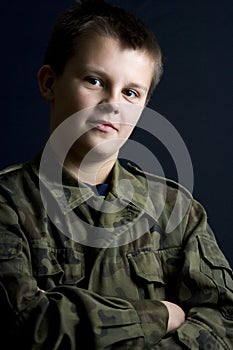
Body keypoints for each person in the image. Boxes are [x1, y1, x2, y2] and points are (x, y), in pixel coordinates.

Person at [0, 1, 232, 349]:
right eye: (94, 81)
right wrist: (161, 316)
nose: (113, 104)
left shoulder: (175, 210)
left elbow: (223, 318)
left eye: (130, 92)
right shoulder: (9, 204)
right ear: (50, 83)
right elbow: (27, 324)